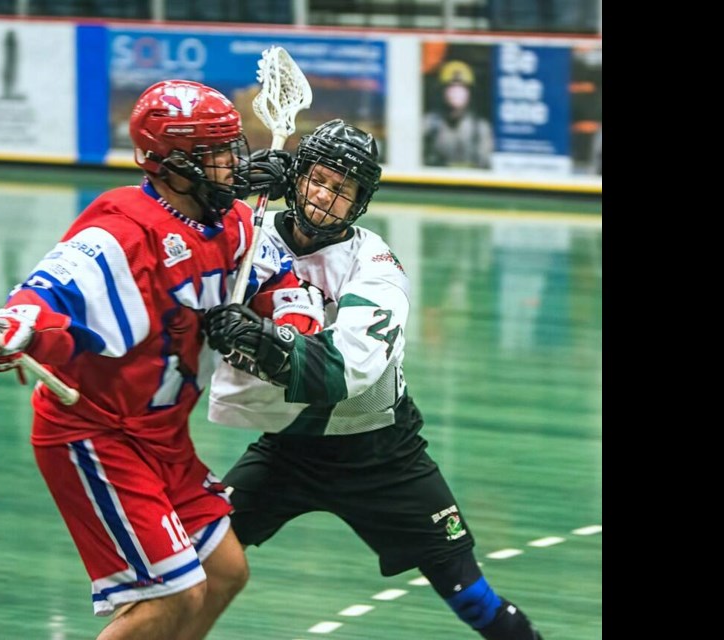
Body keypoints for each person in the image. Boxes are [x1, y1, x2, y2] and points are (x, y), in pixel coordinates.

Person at [0, 79, 296, 640]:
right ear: (171, 165)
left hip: (162, 437)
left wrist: (284, 333)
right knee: (172, 595)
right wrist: (17, 326)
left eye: (231, 148)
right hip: (96, 434)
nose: (233, 165)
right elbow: (45, 295)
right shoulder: (121, 229)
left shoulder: (237, 223)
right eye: (216, 154)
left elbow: (284, 285)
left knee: (223, 573)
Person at [204, 119, 544, 639]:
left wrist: (262, 342)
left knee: (470, 595)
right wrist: (228, 195)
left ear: (360, 202)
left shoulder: (377, 266)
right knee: (194, 564)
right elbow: (174, 247)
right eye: (317, 179)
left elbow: (349, 368)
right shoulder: (251, 232)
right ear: (295, 176)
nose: (324, 197)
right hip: (289, 447)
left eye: (342, 190)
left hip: (381, 453)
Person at [423, 60, 494, 169]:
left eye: (462, 88)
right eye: (451, 88)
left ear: (469, 93)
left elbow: (486, 166)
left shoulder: (480, 128)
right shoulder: (429, 124)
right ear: (442, 92)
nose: (456, 93)